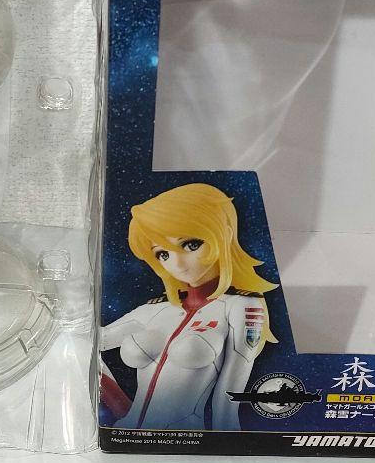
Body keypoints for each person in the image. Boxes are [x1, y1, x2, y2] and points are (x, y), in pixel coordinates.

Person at [100, 183, 276, 430]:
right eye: (163, 254)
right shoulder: (155, 309)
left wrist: (227, 447)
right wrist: (117, 403)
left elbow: (228, 398)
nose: (178, 264)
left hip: (185, 439)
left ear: (224, 235)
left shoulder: (242, 305)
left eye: (191, 245)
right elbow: (86, 342)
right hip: (127, 433)